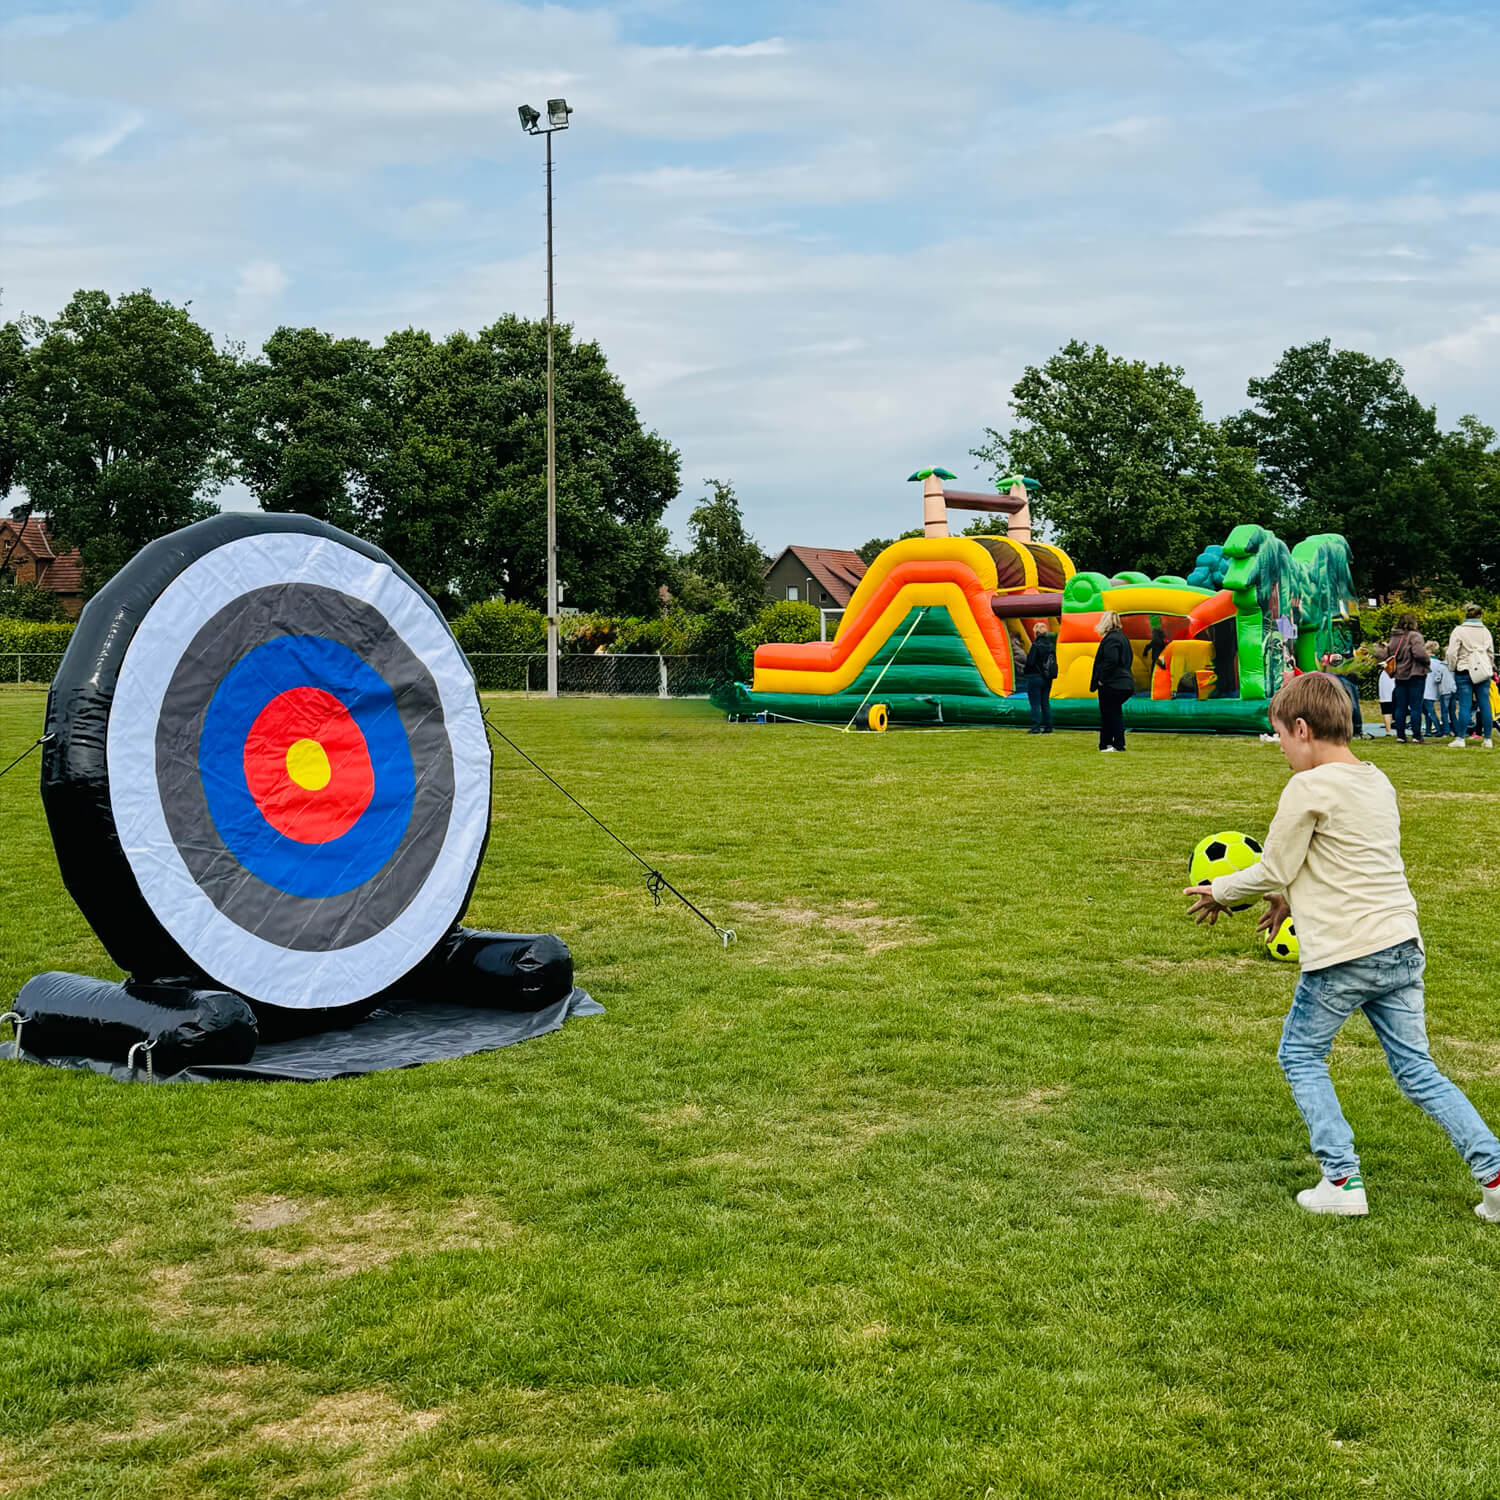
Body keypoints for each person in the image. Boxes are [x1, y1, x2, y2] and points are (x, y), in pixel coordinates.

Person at [1184, 672, 1500, 1221]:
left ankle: (1341, 1179)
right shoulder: (1377, 780)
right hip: (1400, 943)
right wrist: (1287, 900)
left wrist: (1221, 891)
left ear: (1302, 729)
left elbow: (1277, 864)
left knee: (1300, 1054)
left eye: (1280, 737)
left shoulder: (1306, 786)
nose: (1280, 750)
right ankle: (1495, 1176)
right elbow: (1339, 858)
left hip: (1346, 955)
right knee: (1418, 1070)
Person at [1445, 604, 1495, 750]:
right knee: (1485, 704)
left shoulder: (1459, 631)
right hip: (1482, 671)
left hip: (1464, 669)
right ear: (1480, 615)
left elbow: (1451, 653)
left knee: (1465, 705)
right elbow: (1490, 653)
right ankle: (1487, 739)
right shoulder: (1486, 631)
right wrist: (1489, 665)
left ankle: (1460, 738)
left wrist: (1452, 666)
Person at [1090, 610, 1134, 752]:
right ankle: (1109, 743)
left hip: (1113, 683)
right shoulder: (1123, 638)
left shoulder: (1111, 639)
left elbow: (1111, 660)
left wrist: (1102, 679)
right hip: (1124, 682)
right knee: (1113, 712)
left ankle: (1114, 744)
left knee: (1110, 714)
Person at [1386, 614, 1429, 744]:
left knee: (1400, 707)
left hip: (1399, 674)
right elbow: (1418, 653)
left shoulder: (1394, 637)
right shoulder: (1415, 636)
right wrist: (1427, 661)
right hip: (1415, 673)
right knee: (1416, 706)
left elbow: (1388, 653)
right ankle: (1416, 735)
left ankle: (1400, 735)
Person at [1021, 620, 1057, 734]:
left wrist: (1024, 671)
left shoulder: (1036, 646)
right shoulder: (1051, 646)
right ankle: (1048, 726)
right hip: (1048, 678)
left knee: (1035, 703)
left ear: (1035, 633)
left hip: (1035, 677)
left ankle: (1036, 726)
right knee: (1045, 702)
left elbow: (1030, 662)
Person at [1319, 654, 1365, 738]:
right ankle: (1357, 729)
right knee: (1352, 704)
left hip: (1337, 676)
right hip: (1343, 676)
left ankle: (1355, 729)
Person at [1428, 650, 1458, 742]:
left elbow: (1437, 678)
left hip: (1444, 691)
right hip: (1453, 689)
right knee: (1452, 712)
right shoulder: (1454, 666)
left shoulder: (1441, 666)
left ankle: (1446, 731)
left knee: (1444, 712)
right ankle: (1457, 731)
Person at [1421, 642, 1444, 738]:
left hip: (1425, 690)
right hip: (1434, 690)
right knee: (1428, 712)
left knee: (1429, 712)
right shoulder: (1439, 663)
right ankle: (1428, 730)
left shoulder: (1425, 662)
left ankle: (1438, 729)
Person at [1377, 662, 1395, 736]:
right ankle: (1400, 729)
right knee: (1399, 711)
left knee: (1386, 712)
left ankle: (1388, 731)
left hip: (1385, 697)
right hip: (1394, 696)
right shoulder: (1395, 673)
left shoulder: (1383, 675)